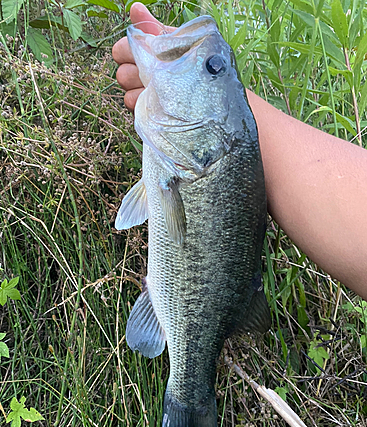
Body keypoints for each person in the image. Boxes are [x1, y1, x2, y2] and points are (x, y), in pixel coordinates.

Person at [112, 3, 367, 301]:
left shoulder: (200, 159)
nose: (210, 65)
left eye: (212, 68)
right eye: (213, 68)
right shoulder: (203, 158)